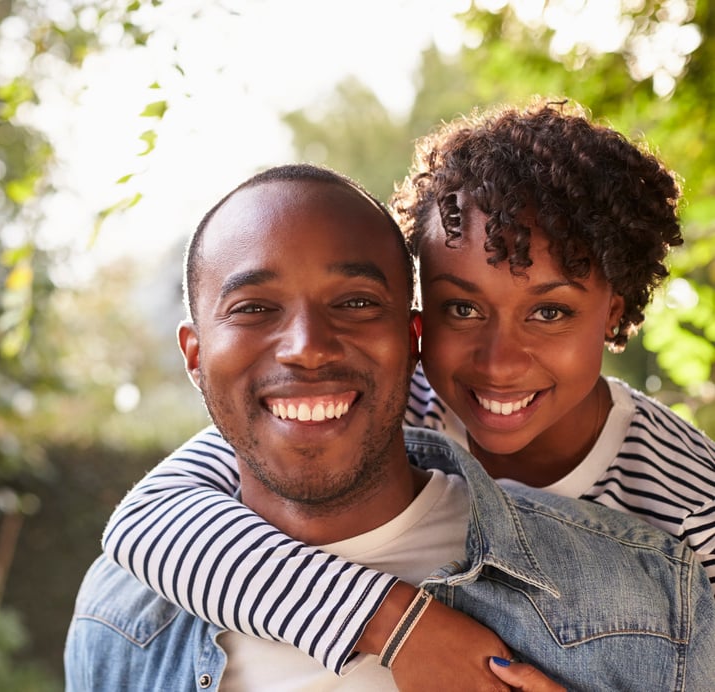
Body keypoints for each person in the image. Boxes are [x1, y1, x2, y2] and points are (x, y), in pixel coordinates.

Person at [100, 100, 715, 686]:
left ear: (614, 312)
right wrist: (399, 627)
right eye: (463, 308)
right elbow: (148, 519)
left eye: (549, 313)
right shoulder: (395, 396)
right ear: (417, 321)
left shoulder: (687, 499)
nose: (499, 363)